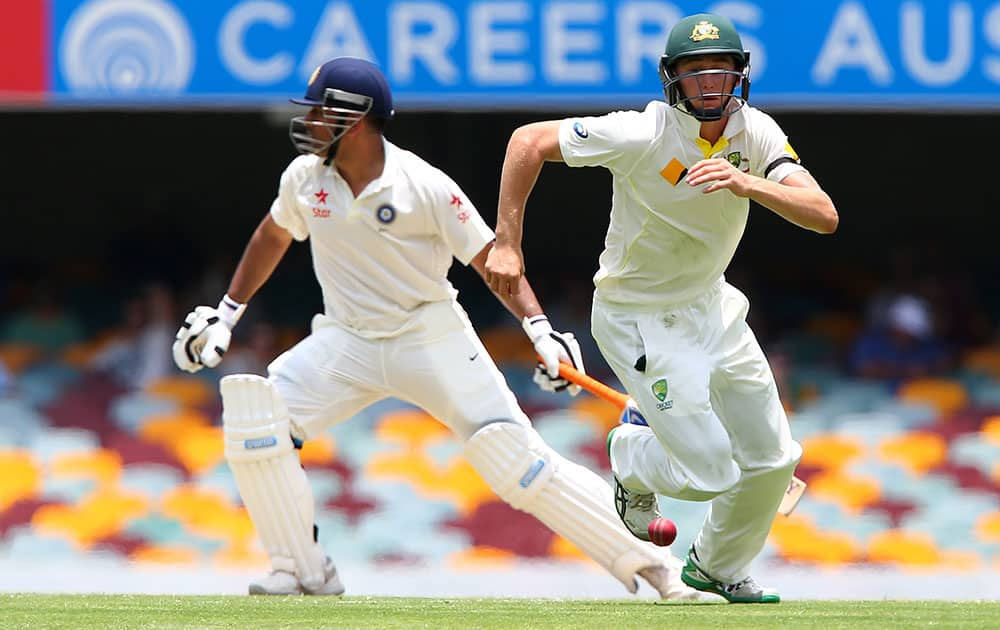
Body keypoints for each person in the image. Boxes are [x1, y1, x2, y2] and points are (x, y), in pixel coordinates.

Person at [171, 57, 696, 599]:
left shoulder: (423, 185)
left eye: (321, 111)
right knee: (257, 418)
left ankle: (659, 571)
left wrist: (539, 329)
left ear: (357, 118)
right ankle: (301, 570)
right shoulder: (305, 178)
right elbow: (273, 234)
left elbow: (493, 259)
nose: (310, 122)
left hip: (428, 335)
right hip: (345, 339)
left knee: (514, 459)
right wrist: (225, 314)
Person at [485, 13, 838, 603]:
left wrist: (748, 184)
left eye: (720, 69)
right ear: (671, 79)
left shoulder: (758, 135)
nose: (708, 82)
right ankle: (631, 456)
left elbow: (823, 215)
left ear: (739, 76)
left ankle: (718, 568)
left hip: (713, 305)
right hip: (638, 315)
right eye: (694, 71)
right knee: (712, 476)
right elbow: (528, 142)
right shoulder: (641, 132)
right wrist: (506, 241)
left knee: (775, 460)